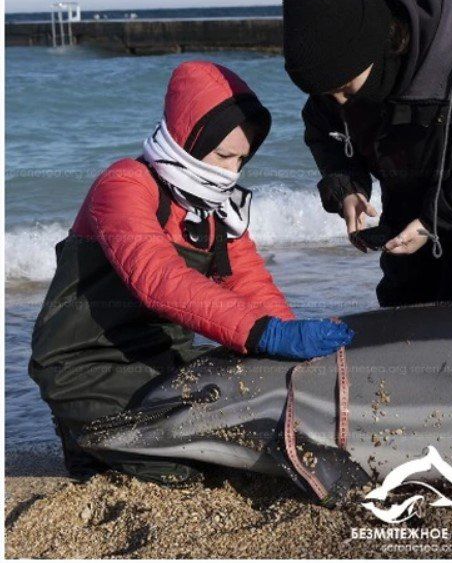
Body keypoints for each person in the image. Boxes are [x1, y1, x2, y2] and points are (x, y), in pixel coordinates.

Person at [29, 61, 353, 484]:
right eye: (223, 156)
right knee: (186, 470)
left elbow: (247, 280)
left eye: (242, 159)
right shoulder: (124, 184)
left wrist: (291, 345)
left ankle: (105, 434)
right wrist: (263, 333)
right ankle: (84, 438)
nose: (231, 172)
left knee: (251, 419)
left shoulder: (219, 207)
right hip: (85, 363)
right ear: (190, 138)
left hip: (162, 358)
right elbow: (158, 279)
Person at [282, 0, 452, 308]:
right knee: (401, 314)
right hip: (402, 220)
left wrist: (431, 221)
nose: (339, 101)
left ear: (379, 50)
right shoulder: (335, 74)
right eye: (327, 93)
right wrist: (347, 187)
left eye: (346, 88)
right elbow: (321, 130)